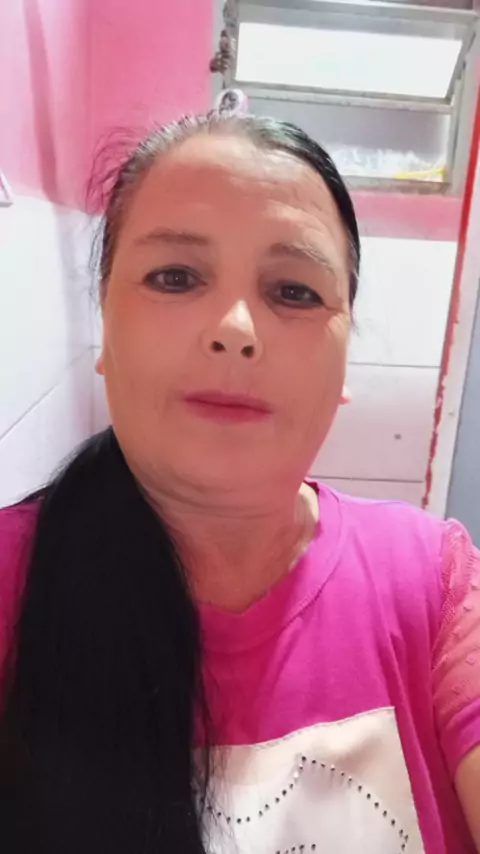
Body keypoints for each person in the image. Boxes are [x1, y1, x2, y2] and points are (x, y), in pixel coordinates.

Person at [0, 111, 479, 854]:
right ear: (104, 327)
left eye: (294, 292)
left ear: (344, 362)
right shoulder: (13, 582)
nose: (235, 329)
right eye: (175, 277)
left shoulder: (436, 581)